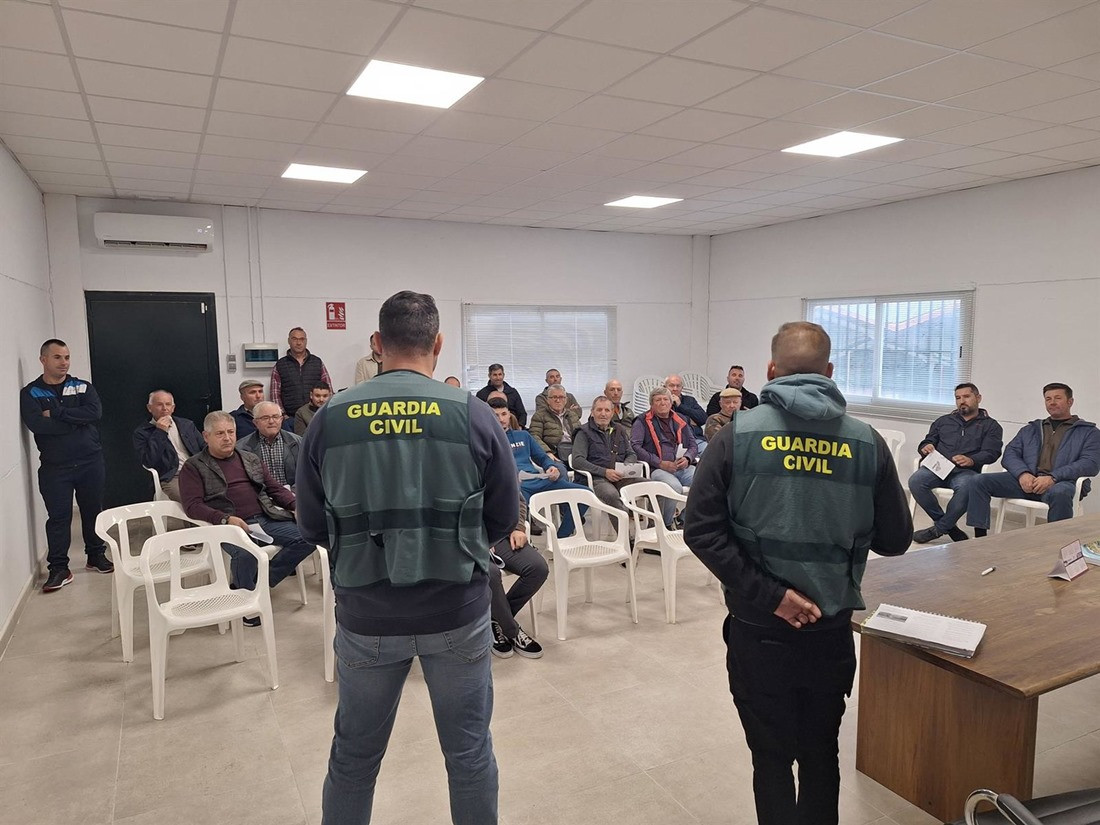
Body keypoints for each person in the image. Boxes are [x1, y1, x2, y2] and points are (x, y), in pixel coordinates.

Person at [296, 291, 518, 825]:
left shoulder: (329, 417)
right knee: (468, 757)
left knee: (353, 760)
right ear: (438, 343)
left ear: (377, 344)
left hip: (367, 614)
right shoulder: (474, 414)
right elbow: (502, 518)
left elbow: (310, 524)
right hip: (457, 612)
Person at [684, 321, 912, 825]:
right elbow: (897, 540)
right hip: (829, 633)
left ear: (770, 371)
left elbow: (700, 531)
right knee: (820, 756)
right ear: (829, 373)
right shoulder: (867, 442)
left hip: (759, 630)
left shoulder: (736, 436)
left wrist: (773, 595)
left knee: (769, 759)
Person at [178, 411, 315, 619]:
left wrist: (296, 505)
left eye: (231, 432)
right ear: (206, 436)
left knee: (307, 536)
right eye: (220, 433)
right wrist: (225, 519)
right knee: (245, 553)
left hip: (263, 518)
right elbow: (192, 506)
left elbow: (274, 488)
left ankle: (259, 582)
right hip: (226, 526)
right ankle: (247, 605)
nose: (227, 438)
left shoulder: (249, 458)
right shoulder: (194, 466)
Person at [20, 338, 113, 591]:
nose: (64, 363)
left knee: (93, 511)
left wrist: (58, 414)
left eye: (67, 357)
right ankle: (59, 568)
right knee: (59, 518)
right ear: (43, 360)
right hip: (55, 468)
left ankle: (96, 556)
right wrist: (76, 420)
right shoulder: (30, 393)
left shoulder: (83, 387)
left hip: (90, 462)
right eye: (57, 357)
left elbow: (94, 414)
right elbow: (38, 425)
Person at [967, 382, 1100, 534]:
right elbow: (1010, 453)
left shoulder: (1089, 432)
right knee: (978, 480)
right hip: (1026, 481)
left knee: (1061, 493)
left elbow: (1090, 464)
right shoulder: (1031, 428)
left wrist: (1053, 477)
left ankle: (1055, 543)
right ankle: (980, 538)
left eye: (1058, 398)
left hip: (1061, 483)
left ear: (1070, 402)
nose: (1052, 402)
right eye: (1048, 399)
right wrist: (1022, 474)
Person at [910, 383, 1003, 544]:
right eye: (958, 398)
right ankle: (949, 526)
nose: (962, 401)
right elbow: (928, 440)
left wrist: (972, 460)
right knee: (915, 481)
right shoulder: (943, 421)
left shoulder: (991, 426)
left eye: (966, 397)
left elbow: (992, 452)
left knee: (968, 486)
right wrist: (925, 447)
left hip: (966, 471)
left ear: (978, 398)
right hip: (938, 468)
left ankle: (938, 529)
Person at [492, 397, 589, 540]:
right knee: (516, 506)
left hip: (537, 479)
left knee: (585, 493)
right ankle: (524, 545)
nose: (501, 419)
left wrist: (551, 467)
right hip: (515, 486)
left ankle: (561, 539)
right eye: (496, 415)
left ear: (509, 414)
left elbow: (542, 458)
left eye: (504, 414)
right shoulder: (488, 439)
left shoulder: (523, 436)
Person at [486, 451, 547, 660]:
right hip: (468, 539)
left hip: (502, 535)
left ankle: (496, 621)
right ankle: (512, 631)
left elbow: (518, 500)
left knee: (537, 568)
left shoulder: (499, 459)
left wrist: (519, 527)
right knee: (490, 573)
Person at [631, 386, 697, 529]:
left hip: (680, 465)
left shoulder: (681, 419)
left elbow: (693, 444)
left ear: (671, 402)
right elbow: (635, 447)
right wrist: (659, 463)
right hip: (656, 468)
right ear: (651, 404)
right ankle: (664, 526)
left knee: (703, 481)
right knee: (674, 487)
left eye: (666, 399)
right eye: (658, 400)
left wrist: (687, 458)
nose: (662, 403)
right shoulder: (641, 421)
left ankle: (684, 519)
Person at [572, 395, 645, 511]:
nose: (603, 414)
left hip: (620, 476)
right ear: (592, 412)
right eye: (599, 410)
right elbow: (577, 461)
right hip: (597, 478)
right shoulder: (583, 432)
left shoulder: (619, 430)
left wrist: (624, 468)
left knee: (655, 487)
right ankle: (624, 529)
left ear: (612, 413)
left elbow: (631, 454)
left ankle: (654, 527)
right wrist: (604, 472)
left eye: (607, 410)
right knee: (612, 495)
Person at [132, 389, 204, 502]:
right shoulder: (142, 432)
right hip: (171, 476)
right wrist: (160, 432)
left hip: (197, 472)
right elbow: (148, 461)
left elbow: (204, 448)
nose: (165, 408)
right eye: (159, 404)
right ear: (149, 408)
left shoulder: (187, 425)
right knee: (189, 500)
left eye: (168, 404)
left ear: (173, 408)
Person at [237, 401, 302, 489]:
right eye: (265, 418)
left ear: (281, 419)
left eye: (275, 417)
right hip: (260, 498)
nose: (271, 421)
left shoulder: (299, 442)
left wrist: (292, 493)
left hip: (293, 497)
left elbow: (306, 474)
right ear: (255, 422)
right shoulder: (241, 448)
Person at [271, 327, 333, 417]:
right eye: (294, 339)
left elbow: (328, 389)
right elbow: (275, 394)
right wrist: (282, 415)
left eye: (302, 339)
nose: (298, 343)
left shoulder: (317, 362)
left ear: (306, 341)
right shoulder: (280, 365)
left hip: (316, 414)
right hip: (290, 417)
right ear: (289, 341)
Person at [528, 385, 580, 462]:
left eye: (561, 397)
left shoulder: (572, 415)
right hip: (553, 454)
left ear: (566, 400)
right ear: (548, 400)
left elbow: (582, 436)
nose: (558, 400)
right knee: (559, 472)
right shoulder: (540, 416)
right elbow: (534, 436)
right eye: (554, 397)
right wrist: (547, 452)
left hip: (574, 453)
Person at [475, 363, 527, 428]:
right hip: (491, 429)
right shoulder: (481, 394)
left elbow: (522, 414)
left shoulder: (513, 392)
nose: (498, 378)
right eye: (495, 375)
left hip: (513, 428)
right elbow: (479, 416)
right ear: (489, 376)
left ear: (503, 375)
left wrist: (519, 427)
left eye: (500, 374)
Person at [666, 374, 708, 447]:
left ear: (682, 388)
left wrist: (680, 406)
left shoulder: (690, 400)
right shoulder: (661, 402)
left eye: (678, 386)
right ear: (665, 387)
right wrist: (689, 419)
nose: (675, 389)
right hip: (673, 442)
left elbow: (703, 419)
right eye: (671, 385)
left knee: (709, 451)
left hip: (696, 438)